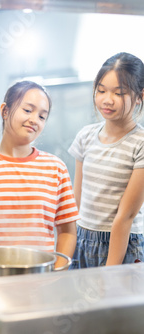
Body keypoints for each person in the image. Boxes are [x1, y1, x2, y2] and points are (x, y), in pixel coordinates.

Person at [0, 81, 79, 266]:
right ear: (5, 111)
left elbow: (67, 232)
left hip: (38, 281)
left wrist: (57, 273)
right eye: (28, 110)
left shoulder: (56, 168)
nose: (34, 119)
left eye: (42, 116)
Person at [69, 52, 144, 268]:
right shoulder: (85, 136)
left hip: (122, 242)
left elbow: (126, 215)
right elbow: (77, 197)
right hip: (83, 237)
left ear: (140, 96)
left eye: (119, 93)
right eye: (101, 90)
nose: (107, 99)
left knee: (115, 301)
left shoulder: (140, 143)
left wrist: (111, 271)